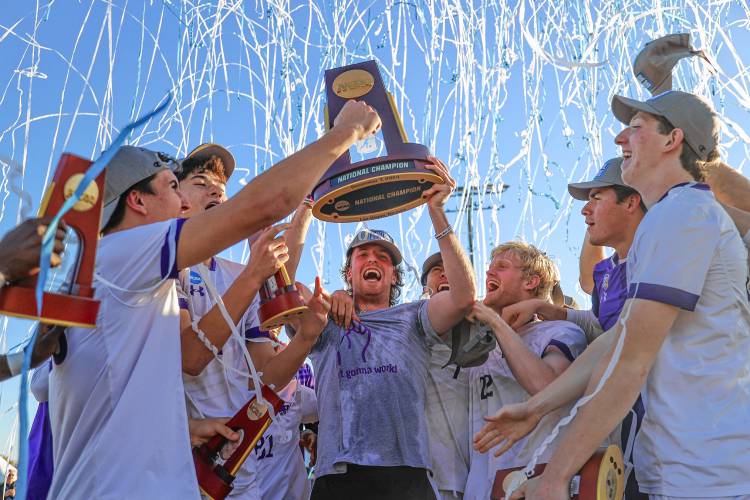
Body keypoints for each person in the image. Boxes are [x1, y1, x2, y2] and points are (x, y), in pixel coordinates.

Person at [46, 100, 381, 499]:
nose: (188, 200)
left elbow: (115, 398)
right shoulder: (123, 252)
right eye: (176, 186)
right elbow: (265, 206)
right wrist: (344, 134)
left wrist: (179, 426)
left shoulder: (131, 278)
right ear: (137, 202)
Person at [476, 90, 750, 498]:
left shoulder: (682, 214)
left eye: (636, 128)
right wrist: (536, 408)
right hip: (685, 470)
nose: (621, 138)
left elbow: (630, 363)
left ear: (672, 140)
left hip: (707, 476)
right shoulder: (676, 216)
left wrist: (555, 477)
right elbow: (615, 339)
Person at [302, 158, 476, 500]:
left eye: (383, 257)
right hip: (339, 474)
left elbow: (464, 296)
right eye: (362, 255)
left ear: (394, 276)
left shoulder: (414, 317)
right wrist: (309, 206)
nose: (371, 260)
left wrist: (437, 212)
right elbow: (284, 292)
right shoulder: (325, 319)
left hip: (406, 473)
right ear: (349, 273)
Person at [176, 144, 320, 498]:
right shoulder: (168, 267)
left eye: (222, 190)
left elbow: (265, 375)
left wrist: (306, 338)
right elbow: (189, 360)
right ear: (175, 195)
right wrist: (254, 275)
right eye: (200, 182)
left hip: (237, 465)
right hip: (180, 460)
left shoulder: (239, 274)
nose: (215, 191)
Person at [463, 242, 587, 500]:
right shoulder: (475, 342)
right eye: (489, 268)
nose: (489, 273)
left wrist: (497, 324)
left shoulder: (560, 332)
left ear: (531, 281)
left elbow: (547, 387)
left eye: (502, 267)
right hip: (483, 487)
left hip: (537, 481)